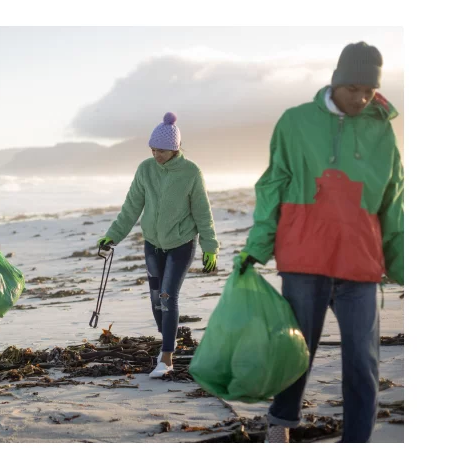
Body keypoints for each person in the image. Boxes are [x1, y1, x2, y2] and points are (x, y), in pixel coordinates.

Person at [241, 41, 404, 443]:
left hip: (359, 266)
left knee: (363, 364)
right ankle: (280, 426)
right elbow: (273, 185)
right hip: (305, 260)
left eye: (369, 91)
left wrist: (403, 266)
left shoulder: (382, 130)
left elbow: (393, 202)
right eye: (354, 89)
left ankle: (357, 445)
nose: (362, 98)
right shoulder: (295, 122)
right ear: (336, 81)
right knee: (296, 354)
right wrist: (258, 246)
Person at [98, 112, 219, 379]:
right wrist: (112, 236)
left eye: (161, 150)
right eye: (153, 149)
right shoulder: (145, 169)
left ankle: (166, 357)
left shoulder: (191, 173)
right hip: (153, 243)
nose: (156, 155)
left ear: (175, 148)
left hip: (181, 243)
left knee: (167, 296)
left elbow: (202, 212)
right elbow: (131, 208)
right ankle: (169, 339)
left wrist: (210, 246)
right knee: (155, 299)